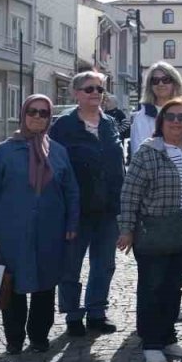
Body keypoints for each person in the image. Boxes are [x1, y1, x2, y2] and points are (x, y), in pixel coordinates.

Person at [0, 94, 79, 354]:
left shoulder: (58, 152)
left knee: (45, 285)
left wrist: (71, 223)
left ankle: (39, 336)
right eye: (32, 112)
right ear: (23, 114)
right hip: (12, 230)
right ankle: (14, 339)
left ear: (49, 118)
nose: (37, 117)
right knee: (13, 285)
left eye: (43, 113)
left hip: (50, 229)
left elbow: (71, 191)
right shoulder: (4, 151)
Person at [117, 98, 182, 362]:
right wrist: (127, 230)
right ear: (161, 122)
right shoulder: (148, 151)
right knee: (151, 287)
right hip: (155, 230)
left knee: (173, 287)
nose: (176, 122)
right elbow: (130, 193)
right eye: (171, 117)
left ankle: (167, 338)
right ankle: (151, 341)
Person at [49, 72, 124, 338]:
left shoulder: (110, 124)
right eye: (89, 88)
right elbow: (53, 169)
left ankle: (96, 312)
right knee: (71, 265)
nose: (95, 93)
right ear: (76, 93)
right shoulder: (62, 126)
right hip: (76, 210)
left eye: (100, 89)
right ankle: (72, 315)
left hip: (108, 209)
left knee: (104, 265)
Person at [130, 62, 182, 159]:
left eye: (166, 80)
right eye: (155, 81)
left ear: (175, 83)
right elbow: (138, 152)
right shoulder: (142, 116)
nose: (160, 84)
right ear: (150, 86)